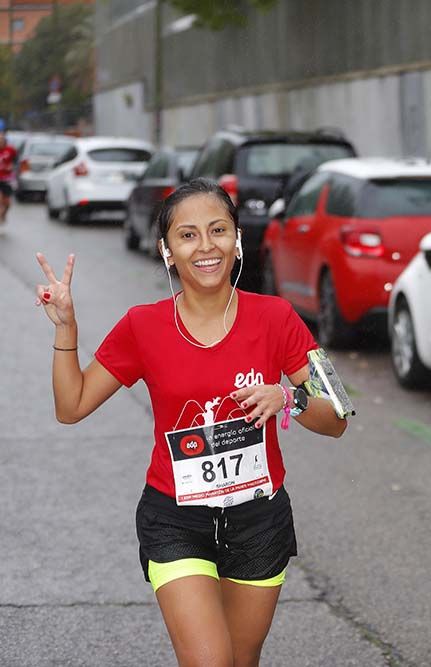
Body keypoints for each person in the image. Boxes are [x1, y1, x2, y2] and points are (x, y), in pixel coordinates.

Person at [34, 177, 348, 667]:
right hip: (175, 517)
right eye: (187, 235)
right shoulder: (142, 325)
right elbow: (70, 406)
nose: (205, 246)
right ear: (167, 251)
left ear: (237, 240)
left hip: (258, 520)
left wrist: (289, 397)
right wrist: (66, 328)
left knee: (240, 660)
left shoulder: (278, 317)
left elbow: (338, 417)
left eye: (218, 230)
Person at [0, 130, 18, 229]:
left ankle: (4, 214)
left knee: (7, 202)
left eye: (2, 139)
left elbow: (16, 161)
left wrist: (12, 166)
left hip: (7, 178)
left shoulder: (11, 150)